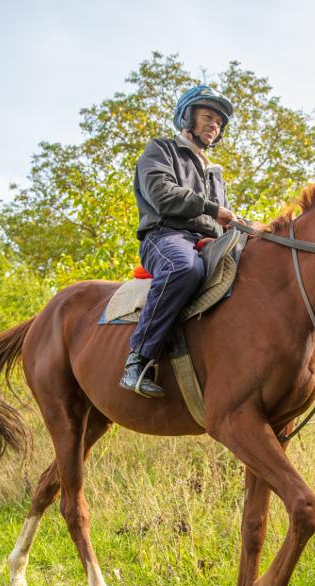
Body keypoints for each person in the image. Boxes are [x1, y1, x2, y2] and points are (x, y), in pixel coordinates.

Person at [120, 85, 238, 398]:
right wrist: (214, 209)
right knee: (183, 269)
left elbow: (222, 220)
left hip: (209, 242)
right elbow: (162, 196)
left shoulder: (215, 173)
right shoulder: (160, 149)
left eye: (219, 123)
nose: (215, 125)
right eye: (208, 116)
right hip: (166, 236)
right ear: (187, 117)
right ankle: (139, 360)